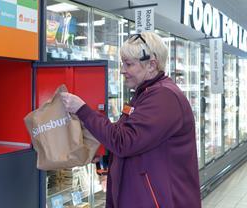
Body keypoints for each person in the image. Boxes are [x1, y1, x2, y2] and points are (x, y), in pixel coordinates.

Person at [61, 32, 201, 208]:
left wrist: (82, 109)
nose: (122, 70)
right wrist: (105, 155)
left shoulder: (164, 97)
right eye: (122, 63)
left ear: (151, 65)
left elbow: (124, 141)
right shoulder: (145, 93)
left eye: (128, 64)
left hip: (159, 200)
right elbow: (134, 139)